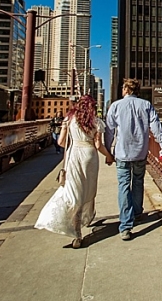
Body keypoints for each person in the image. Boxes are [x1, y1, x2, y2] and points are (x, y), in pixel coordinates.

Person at [35, 96, 113, 248]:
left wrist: (73, 144)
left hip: (75, 155)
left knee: (75, 192)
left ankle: (77, 235)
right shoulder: (96, 122)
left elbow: (61, 142)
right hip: (90, 156)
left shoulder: (69, 119)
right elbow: (98, 145)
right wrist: (109, 156)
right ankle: (89, 215)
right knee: (89, 189)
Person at [105, 78, 162, 241]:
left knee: (124, 185)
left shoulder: (116, 106)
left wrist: (107, 152)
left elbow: (109, 131)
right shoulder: (146, 105)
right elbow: (156, 126)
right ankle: (138, 212)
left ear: (126, 89)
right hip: (140, 151)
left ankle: (126, 225)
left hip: (122, 152)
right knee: (138, 181)